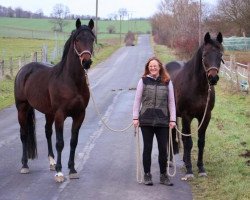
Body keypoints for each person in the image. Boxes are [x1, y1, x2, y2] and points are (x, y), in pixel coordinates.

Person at [133, 57, 176, 186]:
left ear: (160, 67)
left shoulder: (167, 82)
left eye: (155, 66)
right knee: (147, 148)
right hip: (146, 120)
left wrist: (172, 119)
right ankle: (147, 175)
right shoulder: (143, 81)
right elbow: (137, 100)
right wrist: (135, 117)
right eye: (151, 66)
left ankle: (163, 175)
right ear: (148, 67)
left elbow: (171, 102)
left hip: (162, 120)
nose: (153, 68)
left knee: (163, 149)